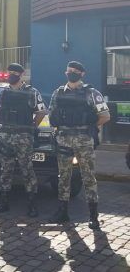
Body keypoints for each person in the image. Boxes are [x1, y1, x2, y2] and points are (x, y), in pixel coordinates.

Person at [49, 61, 110, 230]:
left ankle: (93, 216)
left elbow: (105, 116)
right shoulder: (58, 93)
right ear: (65, 72)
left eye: (75, 71)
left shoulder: (91, 93)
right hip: (64, 139)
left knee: (88, 177)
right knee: (63, 177)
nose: (72, 73)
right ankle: (63, 212)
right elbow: (52, 115)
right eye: (69, 71)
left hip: (84, 139)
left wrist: (91, 127)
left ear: (82, 74)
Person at [0, 63, 46, 217]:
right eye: (9, 72)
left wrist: (31, 127)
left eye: (14, 73)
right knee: (5, 170)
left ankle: (32, 204)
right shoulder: (3, 93)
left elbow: (41, 111)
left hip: (23, 136)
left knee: (27, 170)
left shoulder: (32, 92)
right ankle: (4, 202)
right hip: (6, 136)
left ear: (21, 75)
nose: (11, 75)